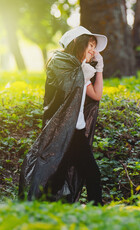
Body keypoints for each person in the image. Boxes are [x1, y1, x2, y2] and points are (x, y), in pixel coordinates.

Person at [19, 26, 107, 206]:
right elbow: (62, 95)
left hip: (77, 132)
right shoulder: (62, 66)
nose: (93, 50)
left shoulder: (82, 70)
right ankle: (95, 211)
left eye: (94, 46)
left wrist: (99, 68)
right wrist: (83, 72)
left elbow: (96, 95)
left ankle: (93, 210)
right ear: (77, 43)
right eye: (90, 45)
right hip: (63, 131)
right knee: (59, 175)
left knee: (75, 174)